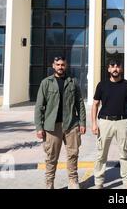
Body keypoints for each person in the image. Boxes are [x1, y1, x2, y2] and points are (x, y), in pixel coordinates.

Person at [34, 56, 86, 189]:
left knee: (73, 155)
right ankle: (49, 183)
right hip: (52, 126)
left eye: (62, 64)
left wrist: (82, 122)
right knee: (51, 157)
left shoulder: (73, 82)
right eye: (58, 64)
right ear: (53, 66)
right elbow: (39, 106)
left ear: (66, 66)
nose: (60, 67)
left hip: (71, 125)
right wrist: (39, 127)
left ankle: (73, 181)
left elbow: (79, 103)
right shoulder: (46, 83)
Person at [92, 59, 127, 189]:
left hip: (122, 122)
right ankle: (99, 183)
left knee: (124, 153)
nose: (115, 69)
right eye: (112, 66)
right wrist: (94, 123)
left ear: (121, 69)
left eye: (118, 66)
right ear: (108, 69)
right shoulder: (101, 85)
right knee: (101, 154)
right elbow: (95, 104)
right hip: (105, 122)